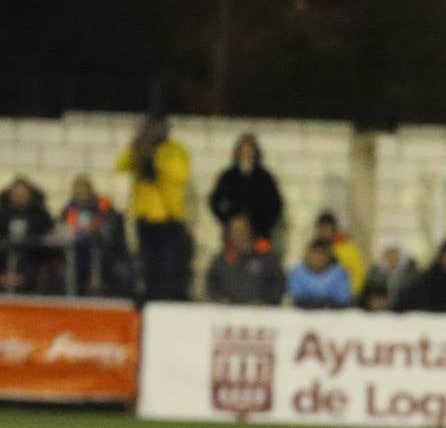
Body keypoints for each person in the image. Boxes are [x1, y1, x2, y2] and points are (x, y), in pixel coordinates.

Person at [115, 113, 193, 302]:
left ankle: (168, 298)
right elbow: (121, 165)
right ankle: (150, 296)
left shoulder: (175, 149)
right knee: (148, 262)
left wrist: (156, 158)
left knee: (169, 264)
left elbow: (180, 174)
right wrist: (135, 145)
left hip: (168, 215)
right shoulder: (141, 148)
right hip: (145, 215)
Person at [56, 176, 131, 298]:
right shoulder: (70, 206)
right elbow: (63, 223)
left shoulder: (102, 203)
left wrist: (95, 227)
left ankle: (96, 283)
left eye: (84, 189)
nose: (81, 194)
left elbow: (111, 222)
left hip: (101, 243)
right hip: (77, 244)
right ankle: (73, 289)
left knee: (97, 251)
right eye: (78, 191)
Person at [207, 133, 285, 250]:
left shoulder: (264, 177)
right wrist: (228, 220)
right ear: (237, 152)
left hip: (260, 234)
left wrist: (264, 222)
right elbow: (214, 201)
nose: (246, 153)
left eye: (250, 150)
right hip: (233, 236)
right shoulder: (229, 176)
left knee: (262, 263)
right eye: (243, 150)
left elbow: (277, 204)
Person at [205, 216, 285, 306]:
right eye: (234, 232)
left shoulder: (265, 257)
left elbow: (277, 284)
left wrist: (266, 301)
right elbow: (211, 284)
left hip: (260, 314)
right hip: (227, 313)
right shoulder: (221, 260)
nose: (237, 236)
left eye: (241, 231)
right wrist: (219, 299)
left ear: (249, 232)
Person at [1, 175, 55, 294]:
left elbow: (48, 232)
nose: (20, 196)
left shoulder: (40, 213)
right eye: (17, 192)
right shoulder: (3, 212)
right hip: (4, 254)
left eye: (23, 192)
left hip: (32, 255)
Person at [311, 212, 367, 296]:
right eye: (320, 229)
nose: (322, 233)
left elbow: (358, 275)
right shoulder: (313, 248)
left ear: (333, 229)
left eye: (325, 229)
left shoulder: (347, 248)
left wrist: (350, 294)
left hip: (342, 297)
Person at [287, 238, 352, 309]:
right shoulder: (298, 272)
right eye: (314, 253)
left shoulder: (339, 273)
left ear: (329, 256)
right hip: (303, 314)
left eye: (321, 253)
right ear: (307, 254)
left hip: (333, 315)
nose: (317, 257)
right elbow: (296, 297)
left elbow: (342, 299)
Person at [360, 240, 418, 311]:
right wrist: (373, 302)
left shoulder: (412, 275)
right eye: (389, 254)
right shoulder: (374, 275)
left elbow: (417, 297)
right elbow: (363, 298)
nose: (392, 258)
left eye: (395, 254)